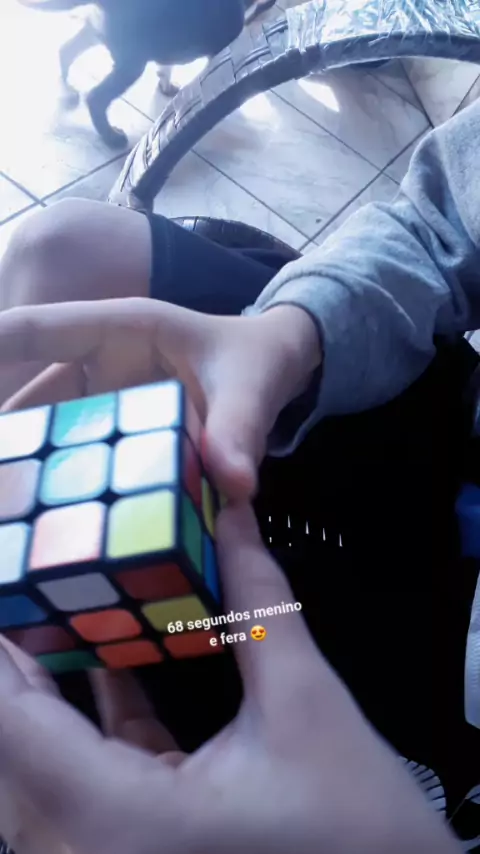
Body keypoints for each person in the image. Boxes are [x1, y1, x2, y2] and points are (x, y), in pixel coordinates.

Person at [1, 94, 480, 854]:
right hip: (435, 432)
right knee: (59, 253)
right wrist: (293, 335)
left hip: (412, 638)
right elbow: (444, 220)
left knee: (157, 653)